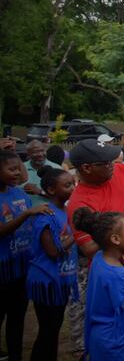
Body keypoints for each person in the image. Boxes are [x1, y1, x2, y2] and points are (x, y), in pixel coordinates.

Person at [65, 139, 124, 357]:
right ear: (87, 168)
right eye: (106, 163)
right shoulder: (78, 203)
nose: (114, 165)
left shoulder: (118, 171)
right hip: (114, 331)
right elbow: (90, 248)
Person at [0, 151, 53, 361]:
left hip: (21, 268)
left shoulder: (19, 194)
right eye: (11, 169)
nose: (17, 173)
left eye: (18, 168)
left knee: (17, 317)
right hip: (2, 269)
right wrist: (26, 214)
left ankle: (15, 355)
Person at [74, 208, 124, 361]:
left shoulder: (100, 257)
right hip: (116, 343)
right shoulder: (117, 274)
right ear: (116, 239)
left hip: (99, 336)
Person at [26, 166, 78, 361]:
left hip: (61, 279)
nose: (72, 188)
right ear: (51, 189)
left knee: (54, 329)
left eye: (73, 184)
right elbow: (54, 251)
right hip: (46, 281)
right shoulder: (45, 216)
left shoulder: (65, 210)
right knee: (47, 331)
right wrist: (76, 232)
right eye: (67, 185)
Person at [20, 140, 62, 205]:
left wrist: (40, 192)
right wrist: (21, 191)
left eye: (42, 151)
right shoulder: (20, 168)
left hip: (51, 213)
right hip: (25, 213)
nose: (40, 154)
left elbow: (62, 196)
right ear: (28, 153)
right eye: (36, 152)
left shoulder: (57, 168)